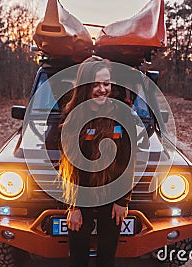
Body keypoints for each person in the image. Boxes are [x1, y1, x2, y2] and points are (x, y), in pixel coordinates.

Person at [58, 56, 136, 267]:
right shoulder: (73, 117)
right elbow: (70, 166)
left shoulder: (123, 114)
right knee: (78, 256)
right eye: (95, 84)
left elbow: (128, 159)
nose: (102, 89)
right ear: (85, 85)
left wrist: (123, 201)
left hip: (112, 196)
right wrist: (73, 207)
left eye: (106, 83)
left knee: (107, 256)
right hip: (81, 196)